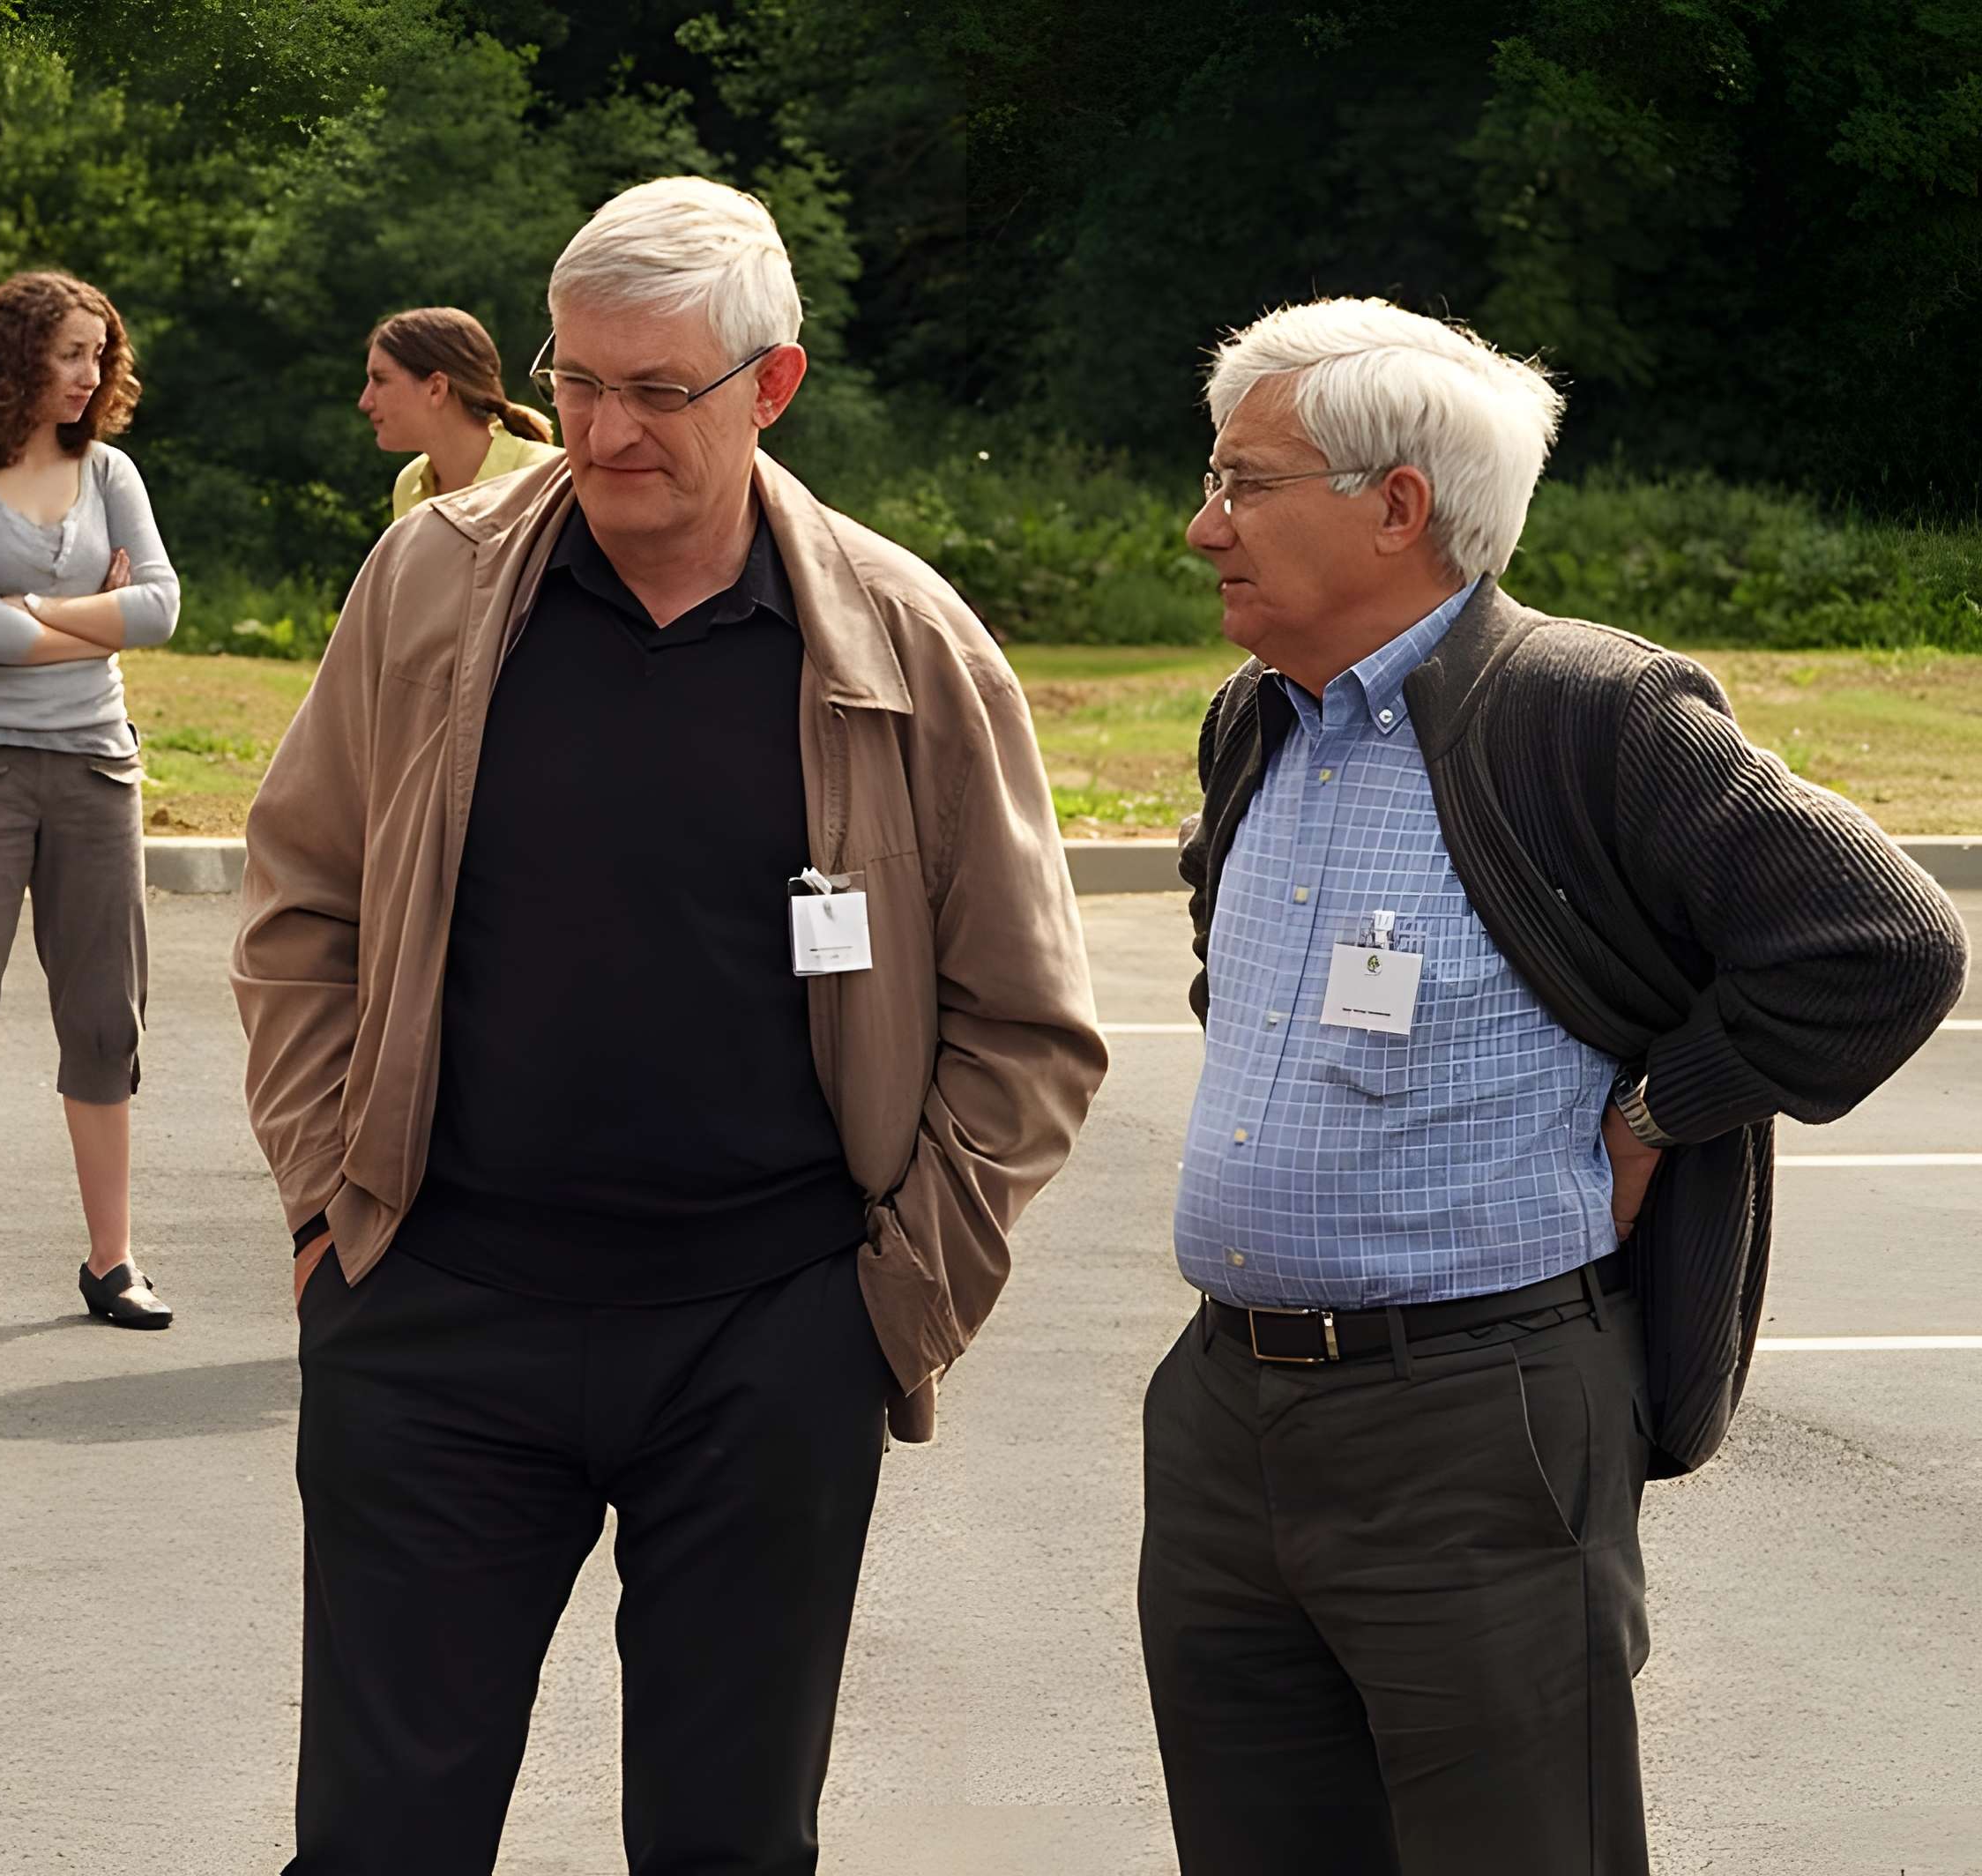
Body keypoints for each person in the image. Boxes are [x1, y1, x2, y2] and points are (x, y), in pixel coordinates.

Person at [235, 175, 1109, 1874]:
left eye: (658, 391)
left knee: (725, 1842)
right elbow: (300, 902)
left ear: (770, 387)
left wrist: (888, 1303)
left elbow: (1030, 1021)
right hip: (441, 1317)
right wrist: (325, 1210)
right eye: (573, 383)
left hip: (765, 1338)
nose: (604, 429)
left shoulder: (905, 642)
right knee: (377, 1837)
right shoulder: (430, 582)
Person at [1148, 296, 1969, 1875]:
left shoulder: (1588, 710)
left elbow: (1881, 943)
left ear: (1397, 507)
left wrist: (1662, 1107)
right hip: (1222, 1415)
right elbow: (1228, 975)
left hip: (1475, 1414)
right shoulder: (1252, 720)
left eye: (1246, 483)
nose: (1204, 526)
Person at [0, 269, 181, 1329]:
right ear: (15, 356)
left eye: (98, 353)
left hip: (94, 766)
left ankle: (110, 1261)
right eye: (71, 351)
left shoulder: (110, 470)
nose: (90, 373)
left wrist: (27, 604)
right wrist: (89, 608)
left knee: (105, 1015)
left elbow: (159, 609)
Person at [360, 305, 562, 520]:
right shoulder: (408, 485)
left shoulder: (550, 478)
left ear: (436, 388)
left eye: (380, 380)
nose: (364, 401)